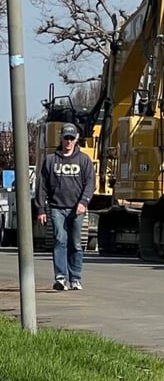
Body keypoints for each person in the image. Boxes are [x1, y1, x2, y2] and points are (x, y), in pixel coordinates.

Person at [35, 122, 94, 291]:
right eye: (65, 138)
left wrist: (84, 202)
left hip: (77, 209)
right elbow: (42, 186)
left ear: (76, 140)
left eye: (71, 138)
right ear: (60, 138)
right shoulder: (50, 160)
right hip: (56, 208)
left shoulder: (84, 160)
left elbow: (90, 183)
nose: (68, 141)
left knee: (75, 243)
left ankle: (75, 278)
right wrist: (40, 209)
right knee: (60, 239)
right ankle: (60, 277)